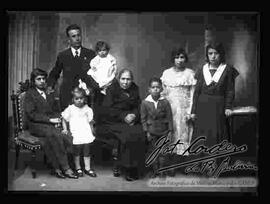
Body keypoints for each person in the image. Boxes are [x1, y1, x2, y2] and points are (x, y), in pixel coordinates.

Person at [24, 68, 78, 179]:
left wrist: (58, 120)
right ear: (33, 81)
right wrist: (49, 120)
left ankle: (56, 167)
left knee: (64, 135)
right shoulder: (30, 94)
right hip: (36, 125)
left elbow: (56, 110)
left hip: (50, 124)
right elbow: (31, 114)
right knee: (55, 134)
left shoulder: (49, 92)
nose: (42, 81)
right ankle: (66, 168)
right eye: (39, 79)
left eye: (44, 79)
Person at [189, 42, 239, 160]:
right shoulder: (202, 69)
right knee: (202, 135)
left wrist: (228, 107)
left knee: (217, 134)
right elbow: (196, 92)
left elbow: (230, 91)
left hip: (218, 106)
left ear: (221, 54)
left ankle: (216, 165)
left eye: (216, 53)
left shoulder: (227, 69)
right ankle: (200, 166)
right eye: (210, 53)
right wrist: (193, 111)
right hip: (202, 107)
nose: (213, 56)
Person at [95, 69, 146, 181]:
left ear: (131, 80)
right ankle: (128, 169)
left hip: (131, 120)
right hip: (114, 121)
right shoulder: (112, 89)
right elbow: (108, 110)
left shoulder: (135, 88)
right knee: (128, 135)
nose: (125, 82)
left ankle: (136, 167)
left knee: (140, 132)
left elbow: (138, 106)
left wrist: (134, 115)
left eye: (128, 79)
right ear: (118, 79)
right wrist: (124, 116)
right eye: (123, 79)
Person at [46, 24, 100, 111]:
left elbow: (97, 73)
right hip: (67, 95)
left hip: (85, 95)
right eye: (74, 36)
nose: (77, 38)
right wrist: (50, 86)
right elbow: (55, 72)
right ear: (68, 39)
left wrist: (94, 88)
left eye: (79, 35)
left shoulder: (90, 54)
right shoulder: (63, 55)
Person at [160, 48, 197, 158]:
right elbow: (163, 92)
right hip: (170, 106)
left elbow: (193, 94)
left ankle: (183, 160)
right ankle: (170, 159)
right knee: (170, 130)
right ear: (173, 59)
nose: (179, 60)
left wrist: (190, 111)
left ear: (185, 59)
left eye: (182, 57)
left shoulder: (190, 73)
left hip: (184, 108)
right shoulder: (167, 73)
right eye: (177, 57)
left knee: (183, 131)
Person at [140, 77, 173, 178]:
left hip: (163, 131)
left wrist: (170, 131)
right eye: (153, 87)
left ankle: (162, 170)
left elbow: (169, 117)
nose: (155, 89)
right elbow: (143, 119)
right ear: (149, 89)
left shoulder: (165, 102)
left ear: (161, 89)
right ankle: (155, 170)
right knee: (153, 151)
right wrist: (147, 132)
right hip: (151, 131)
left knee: (163, 152)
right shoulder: (145, 102)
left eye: (158, 87)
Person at [61, 87, 97, 177]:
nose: (79, 100)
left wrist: (92, 130)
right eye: (77, 99)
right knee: (76, 150)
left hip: (85, 131)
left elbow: (90, 122)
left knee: (87, 150)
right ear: (73, 99)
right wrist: (65, 129)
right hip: (76, 131)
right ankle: (78, 168)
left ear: (84, 98)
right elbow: (64, 119)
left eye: (81, 98)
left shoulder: (87, 109)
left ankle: (87, 168)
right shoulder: (70, 109)